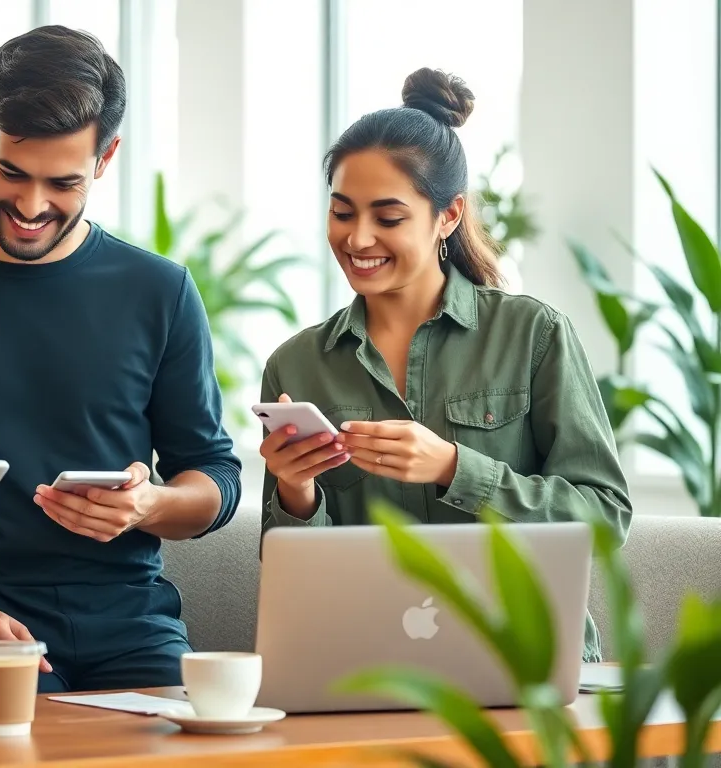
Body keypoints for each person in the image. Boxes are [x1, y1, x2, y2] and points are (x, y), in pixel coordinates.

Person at [0, 26, 242, 692]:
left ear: (107, 157)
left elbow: (215, 475)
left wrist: (149, 504)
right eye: (10, 172)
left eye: (62, 183)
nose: (29, 205)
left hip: (130, 619)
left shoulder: (159, 292)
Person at [258, 68, 632, 662]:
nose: (357, 239)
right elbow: (289, 578)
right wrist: (296, 490)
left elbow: (605, 521)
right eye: (342, 212)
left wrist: (455, 467)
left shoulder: (533, 334)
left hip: (528, 663)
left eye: (388, 217)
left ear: (449, 216)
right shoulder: (296, 365)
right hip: (370, 666)